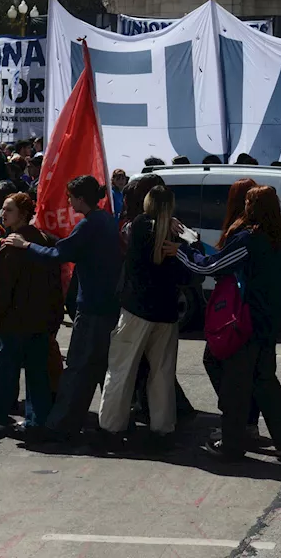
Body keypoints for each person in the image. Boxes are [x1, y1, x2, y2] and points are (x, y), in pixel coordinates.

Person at [180, 186, 281, 460]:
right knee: (262, 378)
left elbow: (211, 267)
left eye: (249, 203)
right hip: (269, 320)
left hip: (247, 321)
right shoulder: (277, 239)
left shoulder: (251, 240)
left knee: (235, 382)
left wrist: (187, 248)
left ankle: (232, 443)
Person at [5, 175, 122, 440]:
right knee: (104, 366)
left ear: (81, 198)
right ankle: (114, 420)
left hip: (92, 306)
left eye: (70, 197)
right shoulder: (105, 220)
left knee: (80, 367)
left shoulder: (90, 225)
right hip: (107, 304)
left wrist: (26, 245)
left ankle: (62, 424)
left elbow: (59, 255)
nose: (68, 202)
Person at [97, 184, 184, 442]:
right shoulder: (177, 232)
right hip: (166, 311)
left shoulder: (139, 226)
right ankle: (163, 428)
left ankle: (112, 426)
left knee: (121, 369)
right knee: (162, 374)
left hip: (136, 308)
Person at [0, 192, 63, 433]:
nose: (2, 214)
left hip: (14, 321)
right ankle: (38, 421)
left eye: (8, 210)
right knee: (37, 373)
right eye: (3, 209)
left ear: (23, 214)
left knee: (7, 369)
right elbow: (56, 283)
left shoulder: (13, 245)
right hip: (40, 320)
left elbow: (0, 289)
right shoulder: (43, 241)